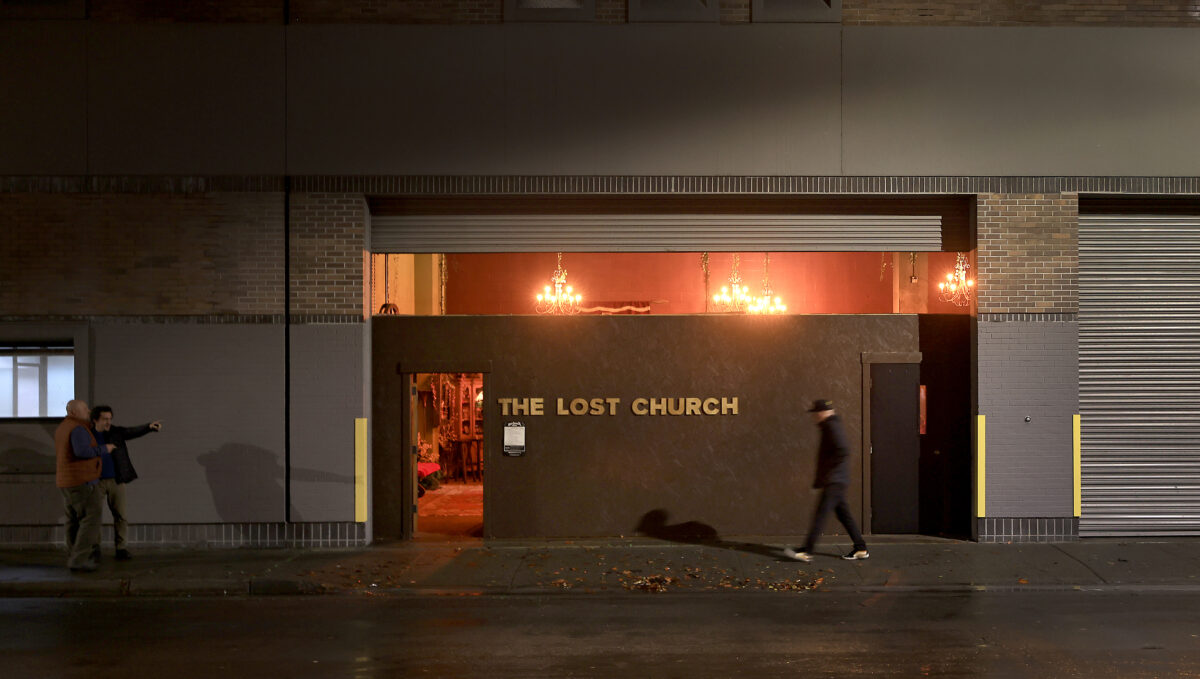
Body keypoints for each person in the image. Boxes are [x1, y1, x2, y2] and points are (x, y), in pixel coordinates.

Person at [784, 399, 870, 563]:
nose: (814, 417)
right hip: (837, 479)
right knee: (844, 515)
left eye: (815, 413)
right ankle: (860, 548)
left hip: (834, 481)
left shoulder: (831, 426)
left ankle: (807, 551)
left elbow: (843, 449)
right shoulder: (830, 425)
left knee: (820, 516)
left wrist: (830, 473)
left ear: (822, 412)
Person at [90, 405, 162, 561]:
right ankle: (94, 549)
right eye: (104, 419)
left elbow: (131, 432)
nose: (108, 422)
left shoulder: (115, 432)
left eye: (110, 419)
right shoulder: (88, 435)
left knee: (121, 516)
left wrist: (148, 427)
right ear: (95, 419)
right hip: (95, 482)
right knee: (94, 517)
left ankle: (121, 548)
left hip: (116, 480)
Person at [55, 400, 115, 572]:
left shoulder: (63, 427)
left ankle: (73, 555)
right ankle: (79, 559)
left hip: (66, 481)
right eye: (84, 409)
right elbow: (82, 452)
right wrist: (104, 449)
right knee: (91, 520)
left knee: (72, 520)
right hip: (82, 481)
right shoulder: (78, 429)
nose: (88, 411)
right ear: (74, 412)